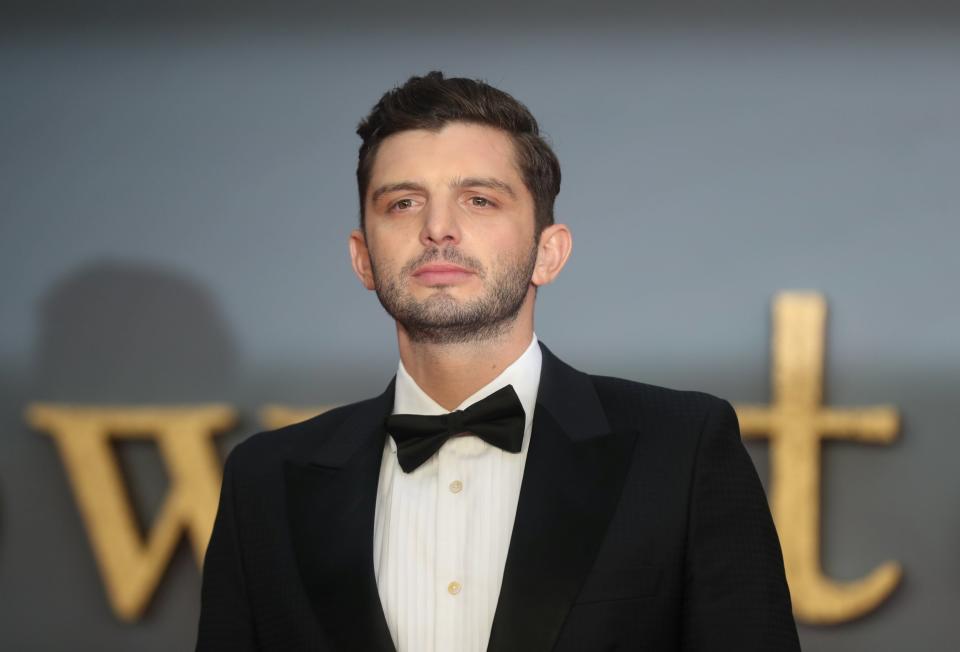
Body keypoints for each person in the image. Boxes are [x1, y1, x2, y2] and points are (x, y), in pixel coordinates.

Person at [196, 71, 801, 652]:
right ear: (362, 258)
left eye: (479, 200)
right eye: (403, 203)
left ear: (548, 252)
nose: (438, 229)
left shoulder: (681, 449)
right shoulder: (266, 481)